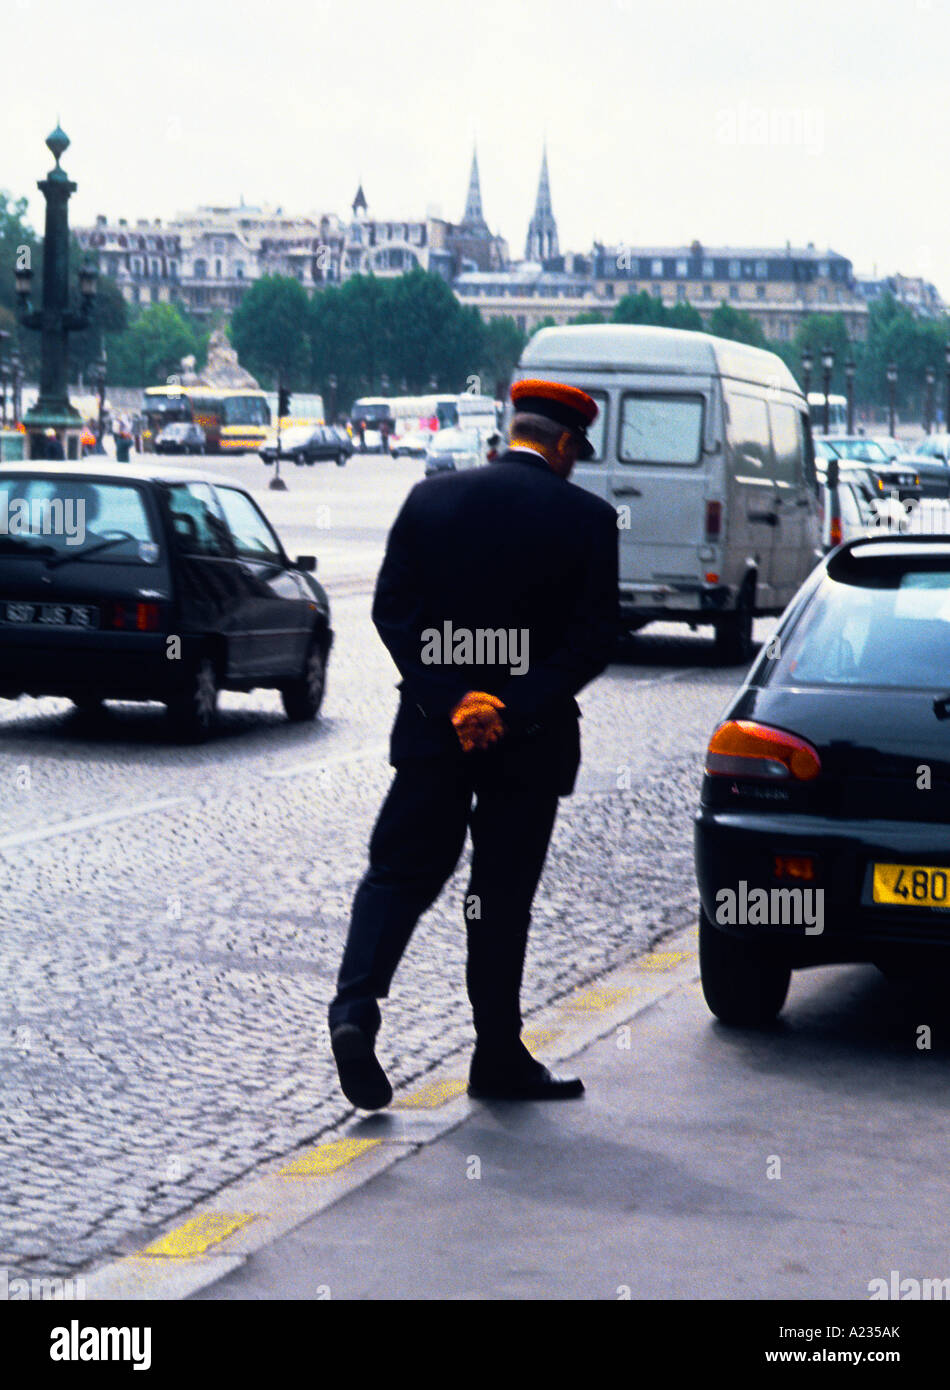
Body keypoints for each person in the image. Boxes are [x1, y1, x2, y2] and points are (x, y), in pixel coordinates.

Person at [328, 379, 619, 1108]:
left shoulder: (431, 500)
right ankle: (496, 1054)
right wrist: (511, 707)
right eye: (576, 451)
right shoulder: (587, 519)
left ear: (507, 432)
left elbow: (393, 612)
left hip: (432, 733)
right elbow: (592, 642)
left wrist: (453, 698)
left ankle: (355, 1010)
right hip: (532, 740)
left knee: (397, 873)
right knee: (500, 896)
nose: (576, 464)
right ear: (561, 443)